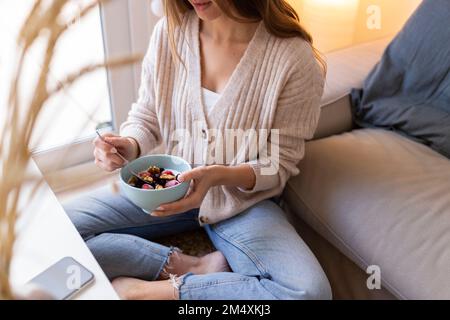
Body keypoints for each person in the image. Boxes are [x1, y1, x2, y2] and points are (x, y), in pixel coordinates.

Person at [65, 0, 331, 300]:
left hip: (242, 204)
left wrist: (218, 176)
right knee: (61, 230)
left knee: (308, 293)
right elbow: (147, 114)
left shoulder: (294, 59)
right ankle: (191, 265)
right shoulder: (171, 32)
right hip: (167, 188)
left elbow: (278, 164)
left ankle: (147, 293)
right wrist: (128, 145)